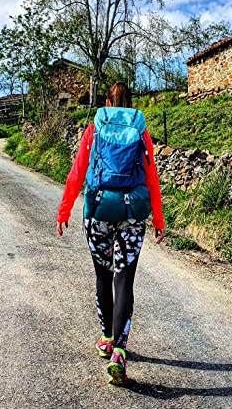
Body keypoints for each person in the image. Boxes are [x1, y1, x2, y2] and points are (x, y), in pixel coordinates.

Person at [56, 82, 165, 385]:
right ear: (131, 103)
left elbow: (77, 172)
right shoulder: (141, 133)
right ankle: (119, 352)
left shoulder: (94, 130)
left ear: (106, 102)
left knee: (103, 276)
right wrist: (158, 218)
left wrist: (64, 211)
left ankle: (106, 338)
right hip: (132, 213)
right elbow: (151, 176)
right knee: (124, 279)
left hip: (99, 211)